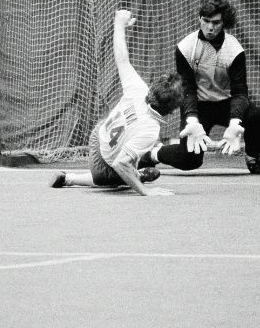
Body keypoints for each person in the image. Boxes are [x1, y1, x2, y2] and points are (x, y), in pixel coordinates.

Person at [50, 10, 186, 196]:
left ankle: (135, 170)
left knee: (139, 149)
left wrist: (119, 24)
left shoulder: (138, 89)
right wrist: (146, 191)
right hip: (104, 162)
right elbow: (119, 163)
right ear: (172, 109)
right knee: (115, 175)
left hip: (99, 134)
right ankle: (71, 178)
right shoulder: (150, 129)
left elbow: (121, 57)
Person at [143, 0, 260, 175]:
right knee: (189, 160)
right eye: (206, 21)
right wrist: (192, 121)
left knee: (256, 118)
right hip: (199, 105)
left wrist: (235, 123)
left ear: (224, 23)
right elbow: (187, 89)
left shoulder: (234, 50)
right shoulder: (186, 47)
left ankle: (253, 159)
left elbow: (240, 92)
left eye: (216, 22)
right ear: (199, 19)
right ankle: (150, 154)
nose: (210, 27)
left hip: (227, 103)